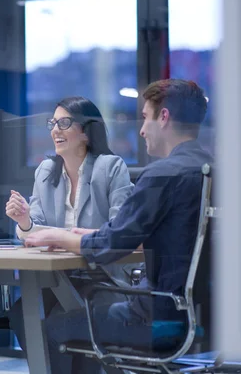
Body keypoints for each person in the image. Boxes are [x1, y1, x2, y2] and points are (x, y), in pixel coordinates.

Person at [24, 79, 213, 373]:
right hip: (210, 316)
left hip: (155, 318)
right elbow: (141, 235)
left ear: (164, 118)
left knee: (51, 328)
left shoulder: (162, 175)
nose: (141, 129)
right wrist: (92, 234)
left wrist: (59, 236)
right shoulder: (213, 170)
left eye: (146, 117)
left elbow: (111, 246)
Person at [4, 96, 135, 349]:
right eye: (53, 123)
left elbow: (120, 231)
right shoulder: (44, 171)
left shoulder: (110, 167)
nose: (55, 130)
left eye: (64, 123)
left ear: (86, 132)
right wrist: (24, 221)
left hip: (100, 277)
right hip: (56, 278)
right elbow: (35, 231)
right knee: (24, 314)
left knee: (57, 320)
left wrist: (67, 239)